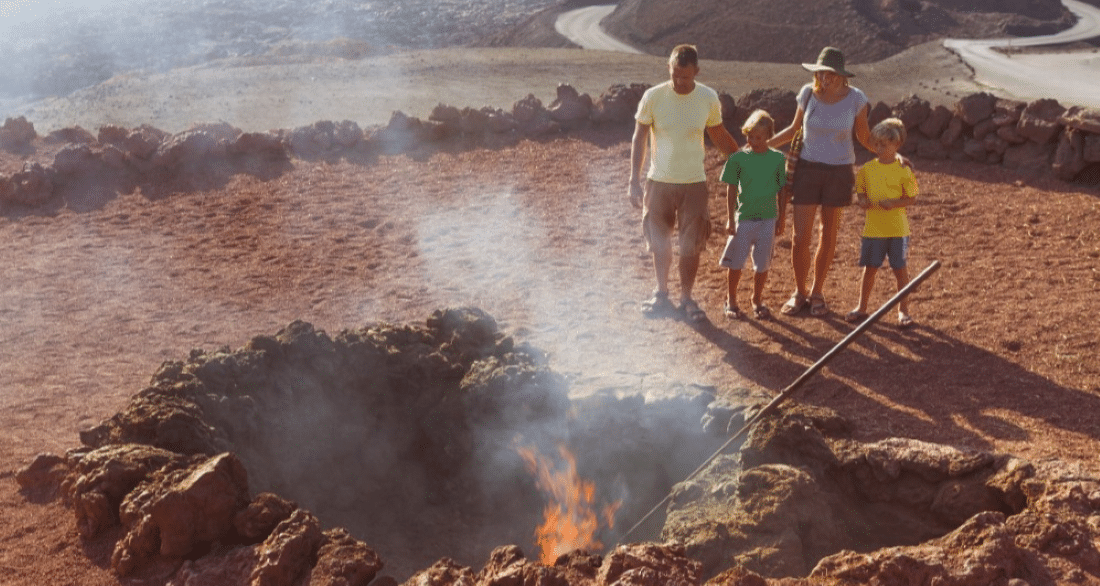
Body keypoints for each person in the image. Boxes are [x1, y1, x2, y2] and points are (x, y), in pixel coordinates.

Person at [629, 44, 740, 322]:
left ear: (697, 72)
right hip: (659, 181)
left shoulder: (707, 98)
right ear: (669, 69)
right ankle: (661, 292)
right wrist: (634, 179)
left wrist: (740, 161)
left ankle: (687, 297)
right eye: (675, 75)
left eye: (685, 77)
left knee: (690, 245)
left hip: (693, 183)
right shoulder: (653, 97)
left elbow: (718, 133)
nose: (679, 82)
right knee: (660, 242)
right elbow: (639, 137)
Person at [769, 47, 874, 317]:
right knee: (800, 237)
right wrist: (762, 147)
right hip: (806, 169)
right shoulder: (807, 93)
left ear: (842, 75)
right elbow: (794, 129)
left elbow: (864, 136)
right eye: (822, 73)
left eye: (831, 74)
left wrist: (891, 154)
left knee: (828, 234)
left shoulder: (856, 99)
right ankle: (799, 291)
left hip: (839, 171)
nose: (826, 78)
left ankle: (817, 292)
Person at [846, 117, 918, 328]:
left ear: (896, 145)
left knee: (900, 270)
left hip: (898, 230)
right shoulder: (867, 169)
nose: (878, 148)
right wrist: (862, 201)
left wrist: (894, 202)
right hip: (873, 229)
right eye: (876, 144)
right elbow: (860, 192)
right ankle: (862, 307)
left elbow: (912, 198)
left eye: (883, 145)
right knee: (869, 269)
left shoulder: (904, 169)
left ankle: (903, 311)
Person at [718, 109, 786, 320]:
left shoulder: (777, 159)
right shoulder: (738, 159)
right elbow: (730, 189)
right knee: (736, 262)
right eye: (750, 136)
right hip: (744, 218)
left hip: (768, 218)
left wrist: (782, 217)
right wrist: (730, 218)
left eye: (759, 137)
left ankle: (757, 299)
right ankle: (731, 300)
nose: (753, 141)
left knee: (762, 263)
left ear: (769, 136)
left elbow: (782, 189)